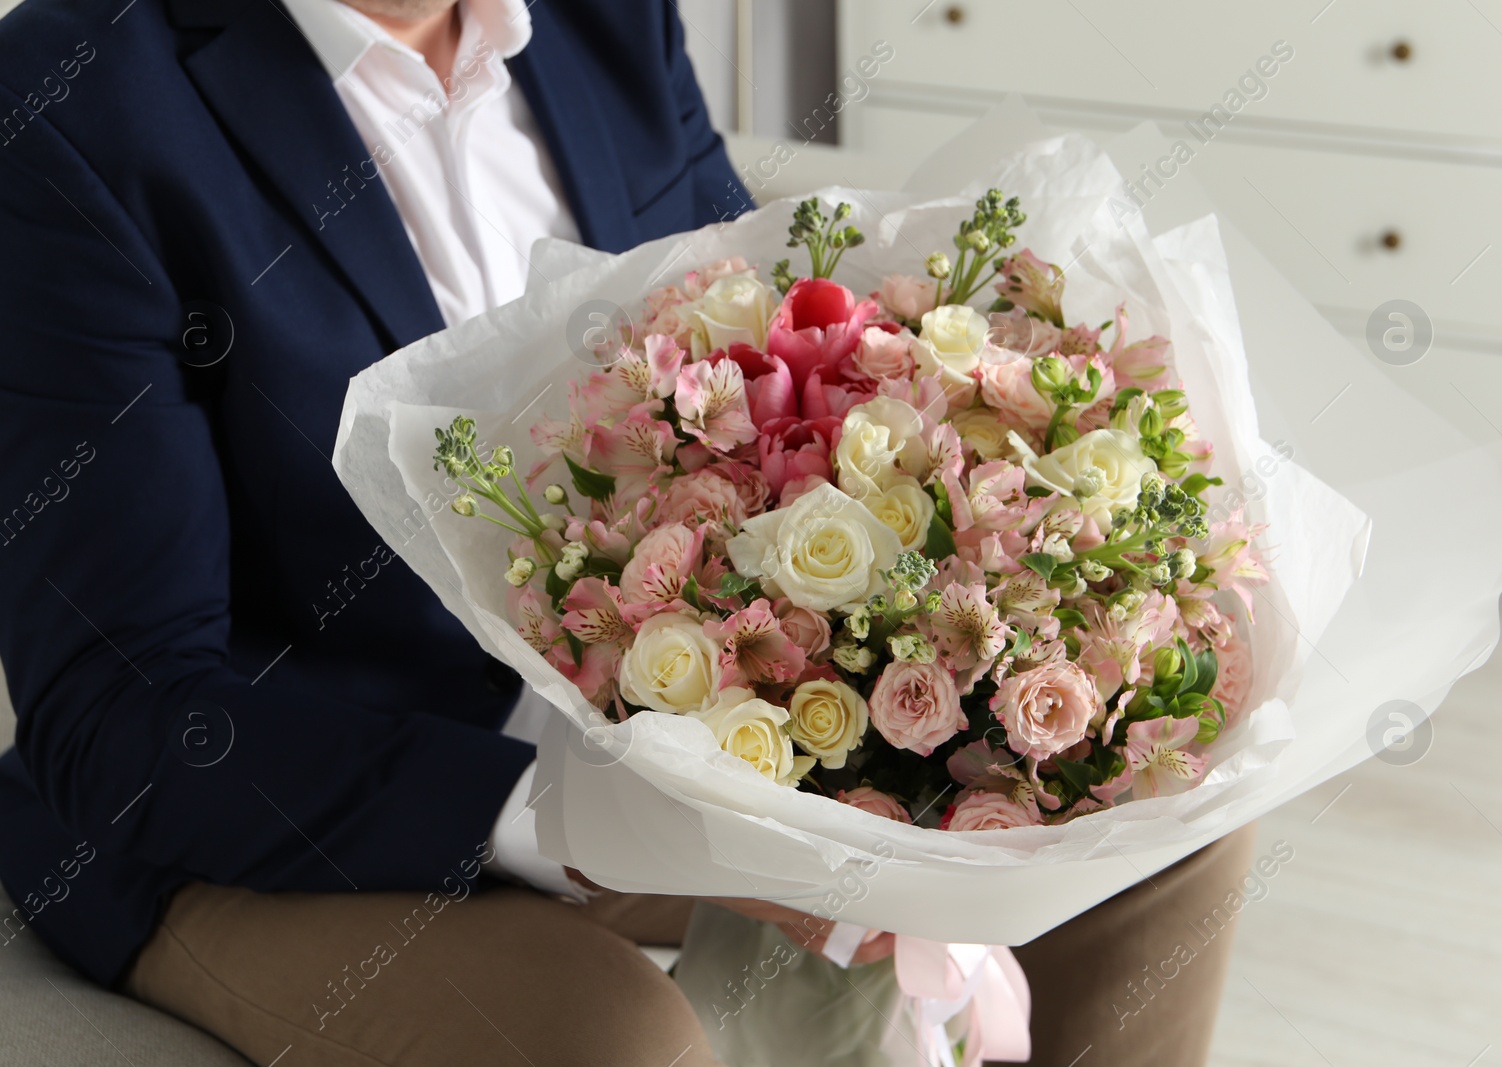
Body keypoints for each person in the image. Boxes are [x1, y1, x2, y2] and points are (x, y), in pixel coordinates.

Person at [0, 0, 1254, 1062]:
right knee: (615, 1037)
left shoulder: (604, 19)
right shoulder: (77, 109)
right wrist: (599, 823)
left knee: (1148, 789)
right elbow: (122, 717)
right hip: (272, 820)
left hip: (647, 729)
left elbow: (760, 365)